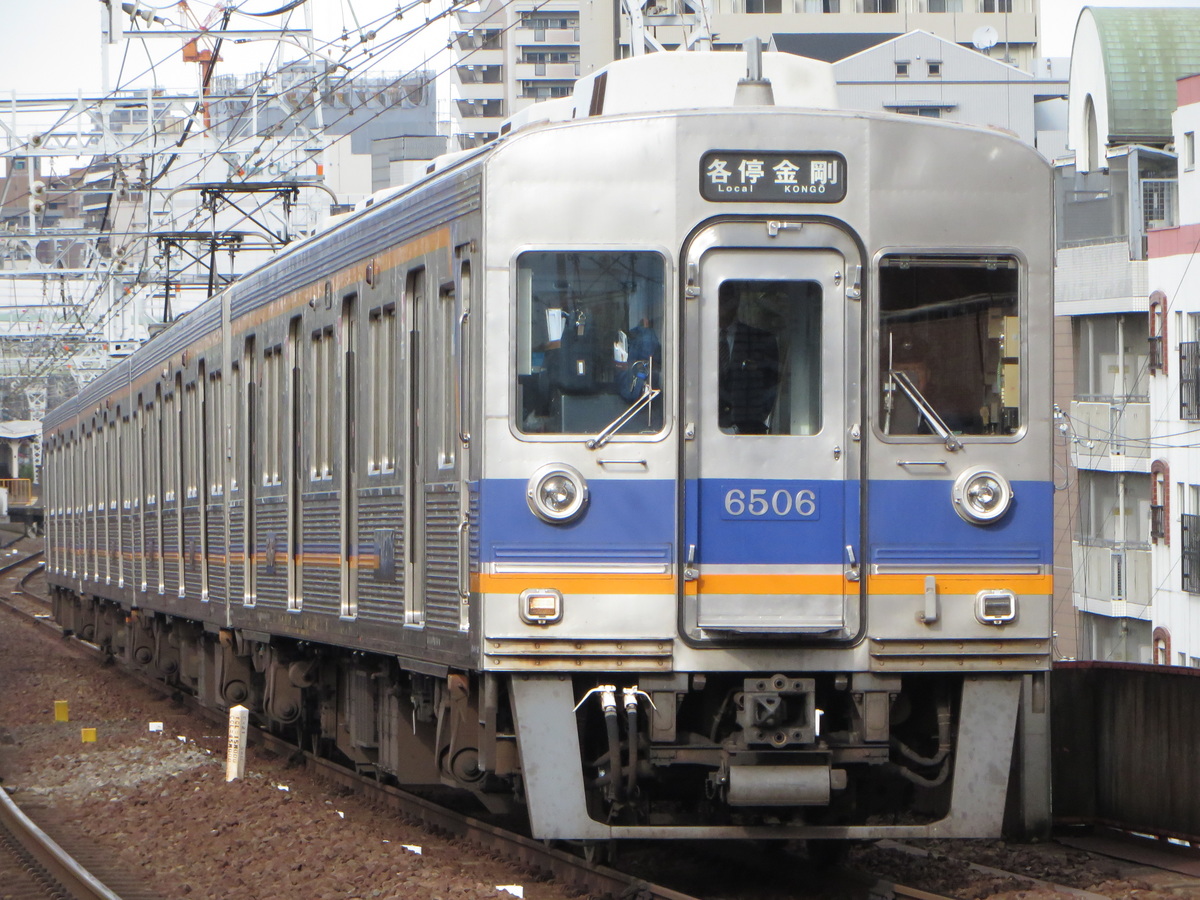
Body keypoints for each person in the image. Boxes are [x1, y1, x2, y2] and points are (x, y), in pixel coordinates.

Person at [718, 290, 780, 434]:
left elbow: (771, 387)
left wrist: (748, 423)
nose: (723, 302)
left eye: (728, 296)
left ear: (737, 299)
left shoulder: (762, 340)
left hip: (749, 434)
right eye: (720, 296)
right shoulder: (694, 340)